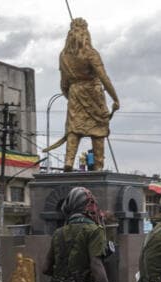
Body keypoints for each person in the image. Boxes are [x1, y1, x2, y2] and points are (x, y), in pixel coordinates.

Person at [43, 186, 130, 282]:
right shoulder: (94, 230)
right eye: (93, 203)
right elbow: (96, 266)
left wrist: (66, 279)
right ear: (88, 206)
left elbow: (45, 268)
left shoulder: (58, 233)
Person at [55, 18, 120, 172]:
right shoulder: (90, 53)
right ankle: (98, 165)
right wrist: (115, 98)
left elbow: (63, 83)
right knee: (98, 129)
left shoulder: (63, 55)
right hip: (93, 93)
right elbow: (104, 77)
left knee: (74, 129)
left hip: (74, 93)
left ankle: (69, 160)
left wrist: (71, 95)